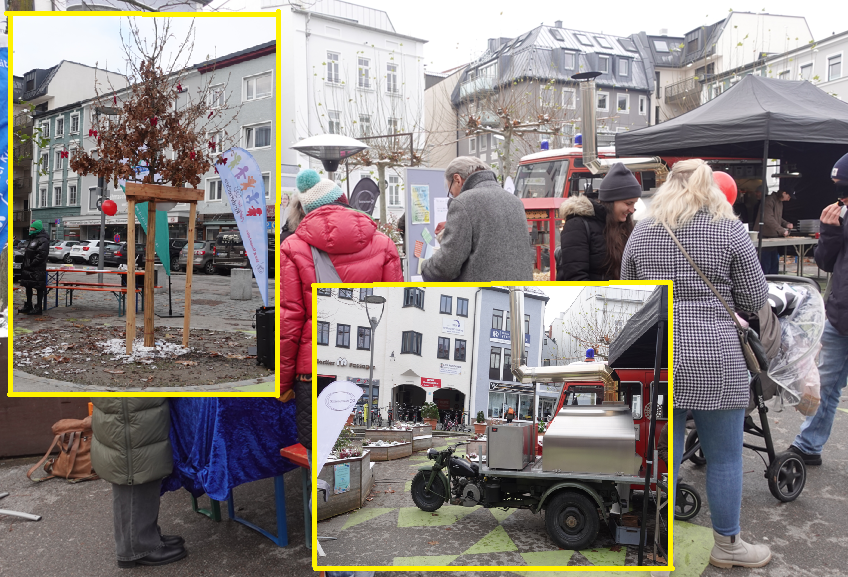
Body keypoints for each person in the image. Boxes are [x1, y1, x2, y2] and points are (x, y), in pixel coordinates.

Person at [620, 159, 771, 573]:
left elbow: (630, 293)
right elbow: (754, 297)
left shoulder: (643, 233)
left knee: (657, 453)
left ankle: (649, 538)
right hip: (715, 356)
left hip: (658, 355)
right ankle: (728, 545)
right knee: (724, 457)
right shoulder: (729, 231)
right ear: (711, 188)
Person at [280, 169, 403, 449]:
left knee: (320, 454)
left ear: (305, 209)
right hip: (364, 366)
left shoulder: (293, 247)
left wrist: (284, 382)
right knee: (362, 448)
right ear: (345, 200)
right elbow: (392, 314)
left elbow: (290, 320)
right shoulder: (384, 244)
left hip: (314, 371)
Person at [788, 153, 848, 466]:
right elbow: (824, 262)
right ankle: (809, 446)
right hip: (840, 316)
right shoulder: (842, 214)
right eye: (839, 190)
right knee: (825, 384)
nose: (841, 197)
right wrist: (830, 231)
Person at [90, 398, 186, 568]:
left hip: (134, 407)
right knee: (135, 470)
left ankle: (145, 534)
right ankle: (137, 546)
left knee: (147, 465)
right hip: (129, 408)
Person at [421, 156, 533, 282]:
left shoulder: (464, 202)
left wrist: (425, 268)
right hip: (519, 294)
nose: (452, 196)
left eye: (451, 193)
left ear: (457, 179)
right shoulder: (515, 202)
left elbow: (446, 266)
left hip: (482, 294)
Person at [557, 163, 642, 281]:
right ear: (611, 201)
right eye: (628, 203)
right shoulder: (577, 225)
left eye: (634, 204)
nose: (632, 210)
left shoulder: (624, 225)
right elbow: (575, 277)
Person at [753, 189, 795, 274]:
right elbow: (768, 218)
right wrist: (781, 230)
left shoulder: (779, 202)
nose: (788, 199)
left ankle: (773, 281)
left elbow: (777, 218)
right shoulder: (768, 201)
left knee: (774, 265)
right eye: (788, 196)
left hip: (772, 237)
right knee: (765, 265)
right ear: (784, 192)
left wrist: (786, 224)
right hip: (764, 237)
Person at [17, 220, 50, 316]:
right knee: (28, 286)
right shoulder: (32, 238)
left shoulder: (43, 240)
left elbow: (41, 254)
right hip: (28, 268)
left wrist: (32, 263)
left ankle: (38, 307)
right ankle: (28, 305)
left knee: (39, 287)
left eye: (32, 228)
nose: (30, 229)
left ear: (37, 229)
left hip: (37, 269)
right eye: (30, 228)